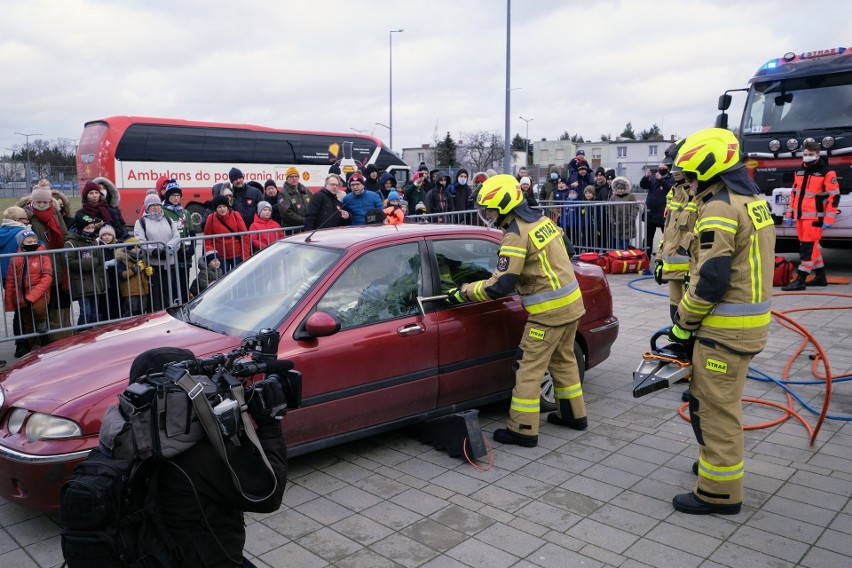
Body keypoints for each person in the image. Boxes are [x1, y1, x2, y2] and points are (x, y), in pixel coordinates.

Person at [667, 128, 774, 515]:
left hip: (724, 329)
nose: (689, 185)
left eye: (692, 176)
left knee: (716, 409)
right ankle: (714, 464)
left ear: (710, 170)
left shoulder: (719, 207)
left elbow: (711, 280)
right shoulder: (751, 199)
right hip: (745, 326)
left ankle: (719, 493)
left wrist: (682, 322)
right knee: (714, 402)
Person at [446, 174, 588, 448]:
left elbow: (500, 286)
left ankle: (523, 429)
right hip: (572, 306)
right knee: (564, 361)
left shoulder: (515, 234)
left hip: (547, 315)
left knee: (527, 369)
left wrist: (462, 292)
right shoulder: (542, 221)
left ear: (504, 206)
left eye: (489, 209)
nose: (487, 215)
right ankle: (574, 416)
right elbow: (568, 249)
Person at [150, 355, 288, 568]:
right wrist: (269, 427)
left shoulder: (137, 439)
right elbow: (269, 494)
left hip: (158, 552)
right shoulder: (200, 455)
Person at [782, 140, 840, 290]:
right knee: (811, 246)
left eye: (810, 155)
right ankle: (821, 277)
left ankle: (801, 279)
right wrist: (789, 213)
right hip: (800, 217)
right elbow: (794, 194)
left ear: (818, 155)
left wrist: (829, 218)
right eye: (805, 154)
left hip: (815, 218)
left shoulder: (827, 172)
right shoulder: (799, 171)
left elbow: (834, 197)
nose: (807, 157)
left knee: (807, 248)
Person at [23, 180, 73, 343]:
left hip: (57, 263)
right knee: (43, 302)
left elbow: (64, 234)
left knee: (59, 298)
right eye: (39, 202)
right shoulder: (29, 217)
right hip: (39, 265)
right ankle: (43, 340)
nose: (42, 204)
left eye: (45, 201)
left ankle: (61, 334)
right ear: (33, 202)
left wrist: (67, 246)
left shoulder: (55, 213)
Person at [655, 142, 695, 321]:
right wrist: (659, 258)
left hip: (691, 269)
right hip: (673, 266)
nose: (674, 171)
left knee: (689, 313)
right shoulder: (674, 192)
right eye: (671, 167)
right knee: (674, 308)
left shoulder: (698, 194)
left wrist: (694, 270)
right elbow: (669, 230)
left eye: (677, 167)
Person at [5, 230, 52, 354]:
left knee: (38, 309)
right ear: (22, 243)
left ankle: (42, 323)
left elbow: (47, 276)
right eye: (29, 241)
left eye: (35, 241)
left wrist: (32, 295)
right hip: (21, 294)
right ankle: (34, 345)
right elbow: (10, 280)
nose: (33, 243)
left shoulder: (43, 255)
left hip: (38, 292)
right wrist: (9, 302)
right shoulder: (15, 258)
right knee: (28, 323)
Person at [134, 193, 181, 311]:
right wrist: (154, 251)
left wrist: (168, 248)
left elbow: (176, 237)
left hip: (170, 263)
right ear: (147, 207)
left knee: (170, 293)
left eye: (158, 205)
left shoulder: (169, 220)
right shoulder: (141, 222)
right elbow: (140, 240)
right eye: (152, 205)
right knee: (156, 296)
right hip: (153, 266)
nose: (156, 207)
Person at [0, 207, 30, 360]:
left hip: (7, 277)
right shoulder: (21, 232)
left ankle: (20, 343)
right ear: (18, 220)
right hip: (24, 275)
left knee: (18, 311)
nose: (27, 221)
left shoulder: (2, 232)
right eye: (25, 218)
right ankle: (25, 343)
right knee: (25, 311)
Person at [162, 180, 196, 304]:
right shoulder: (163, 212)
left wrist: (192, 248)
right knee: (172, 283)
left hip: (185, 254)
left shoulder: (185, 212)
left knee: (184, 281)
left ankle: (185, 303)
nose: (176, 198)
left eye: (178, 195)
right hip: (171, 254)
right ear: (167, 197)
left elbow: (191, 232)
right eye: (172, 196)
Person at [204, 194, 251, 273]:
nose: (222, 209)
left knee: (238, 277)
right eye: (219, 207)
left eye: (224, 206)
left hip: (237, 254)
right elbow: (208, 238)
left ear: (227, 206)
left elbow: (244, 236)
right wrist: (212, 256)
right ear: (215, 209)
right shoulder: (211, 218)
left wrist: (245, 255)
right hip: (221, 256)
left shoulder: (235, 215)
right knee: (224, 279)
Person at [641, 162, 674, 260]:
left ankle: (665, 257)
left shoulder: (671, 178)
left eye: (663, 167)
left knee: (667, 237)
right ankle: (646, 258)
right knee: (648, 238)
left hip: (663, 214)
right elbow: (644, 185)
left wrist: (662, 180)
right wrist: (646, 177)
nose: (661, 168)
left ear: (667, 168)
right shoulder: (653, 178)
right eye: (659, 167)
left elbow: (671, 189)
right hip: (651, 213)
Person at [115, 237, 153, 317]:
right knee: (131, 312)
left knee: (142, 311)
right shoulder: (123, 260)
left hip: (143, 291)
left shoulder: (142, 258)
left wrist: (150, 271)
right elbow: (121, 275)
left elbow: (146, 271)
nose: (136, 249)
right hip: (130, 292)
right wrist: (135, 269)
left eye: (138, 247)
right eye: (133, 247)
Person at [97, 224, 123, 321]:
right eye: (104, 235)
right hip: (104, 280)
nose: (107, 237)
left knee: (118, 302)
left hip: (117, 279)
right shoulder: (98, 246)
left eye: (109, 234)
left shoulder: (118, 245)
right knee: (105, 304)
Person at [608, 176, 640, 250]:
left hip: (627, 223)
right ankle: (620, 256)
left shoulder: (631, 196)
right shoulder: (613, 197)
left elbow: (636, 207)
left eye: (622, 189)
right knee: (618, 242)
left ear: (625, 189)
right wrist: (612, 220)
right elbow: (609, 208)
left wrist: (632, 217)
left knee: (626, 242)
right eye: (618, 189)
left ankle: (626, 256)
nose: (620, 191)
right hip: (617, 224)